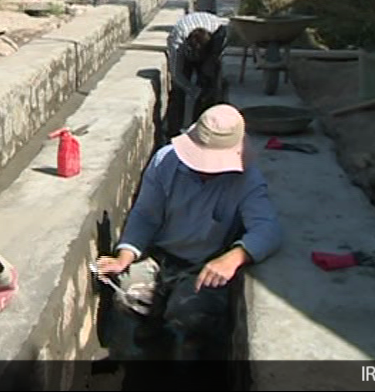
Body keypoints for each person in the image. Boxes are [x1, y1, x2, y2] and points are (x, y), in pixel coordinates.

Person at [96, 104, 281, 362]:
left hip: (203, 267)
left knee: (190, 316)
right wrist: (125, 256)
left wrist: (234, 257)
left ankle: (192, 360)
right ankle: (144, 350)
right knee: (127, 294)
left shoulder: (246, 180)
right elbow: (145, 215)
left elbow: (267, 229)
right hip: (161, 257)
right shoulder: (165, 162)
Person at [167, 12, 229, 131]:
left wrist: (202, 90)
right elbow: (176, 74)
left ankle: (201, 129)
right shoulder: (177, 43)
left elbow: (213, 65)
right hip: (185, 36)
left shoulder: (218, 34)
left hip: (214, 33)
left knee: (207, 86)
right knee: (178, 91)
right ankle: (173, 132)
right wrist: (192, 89)